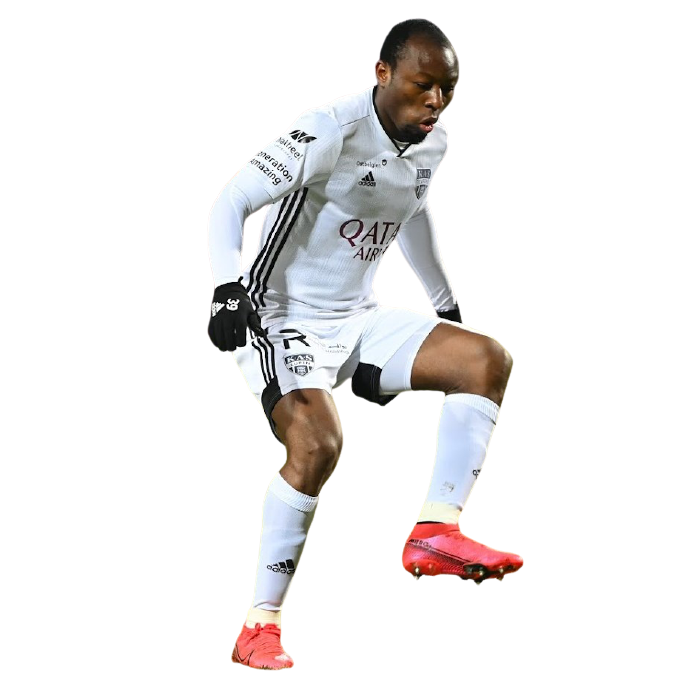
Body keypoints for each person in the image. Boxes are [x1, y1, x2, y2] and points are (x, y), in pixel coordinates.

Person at [208, 18, 522, 672]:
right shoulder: (329, 129)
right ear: (382, 73)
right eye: (422, 85)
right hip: (279, 314)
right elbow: (230, 202)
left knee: (484, 360)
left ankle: (435, 530)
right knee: (318, 445)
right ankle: (259, 625)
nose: (435, 101)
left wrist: (445, 304)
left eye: (448, 89)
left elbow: (412, 212)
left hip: (357, 316)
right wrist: (226, 290)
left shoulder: (432, 141)